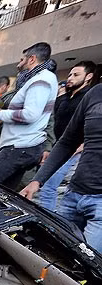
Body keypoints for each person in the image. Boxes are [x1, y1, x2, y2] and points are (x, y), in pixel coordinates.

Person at [20, 83, 102, 253]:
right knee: (53, 256)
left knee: (88, 268)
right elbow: (67, 141)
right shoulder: (96, 93)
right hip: (74, 196)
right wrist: (37, 181)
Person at [0, 42, 58, 190]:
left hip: (19, 147)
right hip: (20, 146)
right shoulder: (35, 81)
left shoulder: (40, 80)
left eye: (22, 59)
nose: (19, 64)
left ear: (32, 59)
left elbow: (30, 114)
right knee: (3, 194)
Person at [37, 60, 96, 210]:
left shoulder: (88, 97)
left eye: (76, 75)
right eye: (70, 74)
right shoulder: (66, 97)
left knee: (48, 187)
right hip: (57, 146)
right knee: (47, 186)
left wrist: (81, 146)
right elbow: (55, 120)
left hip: (72, 149)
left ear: (88, 77)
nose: (70, 78)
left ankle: (48, 222)